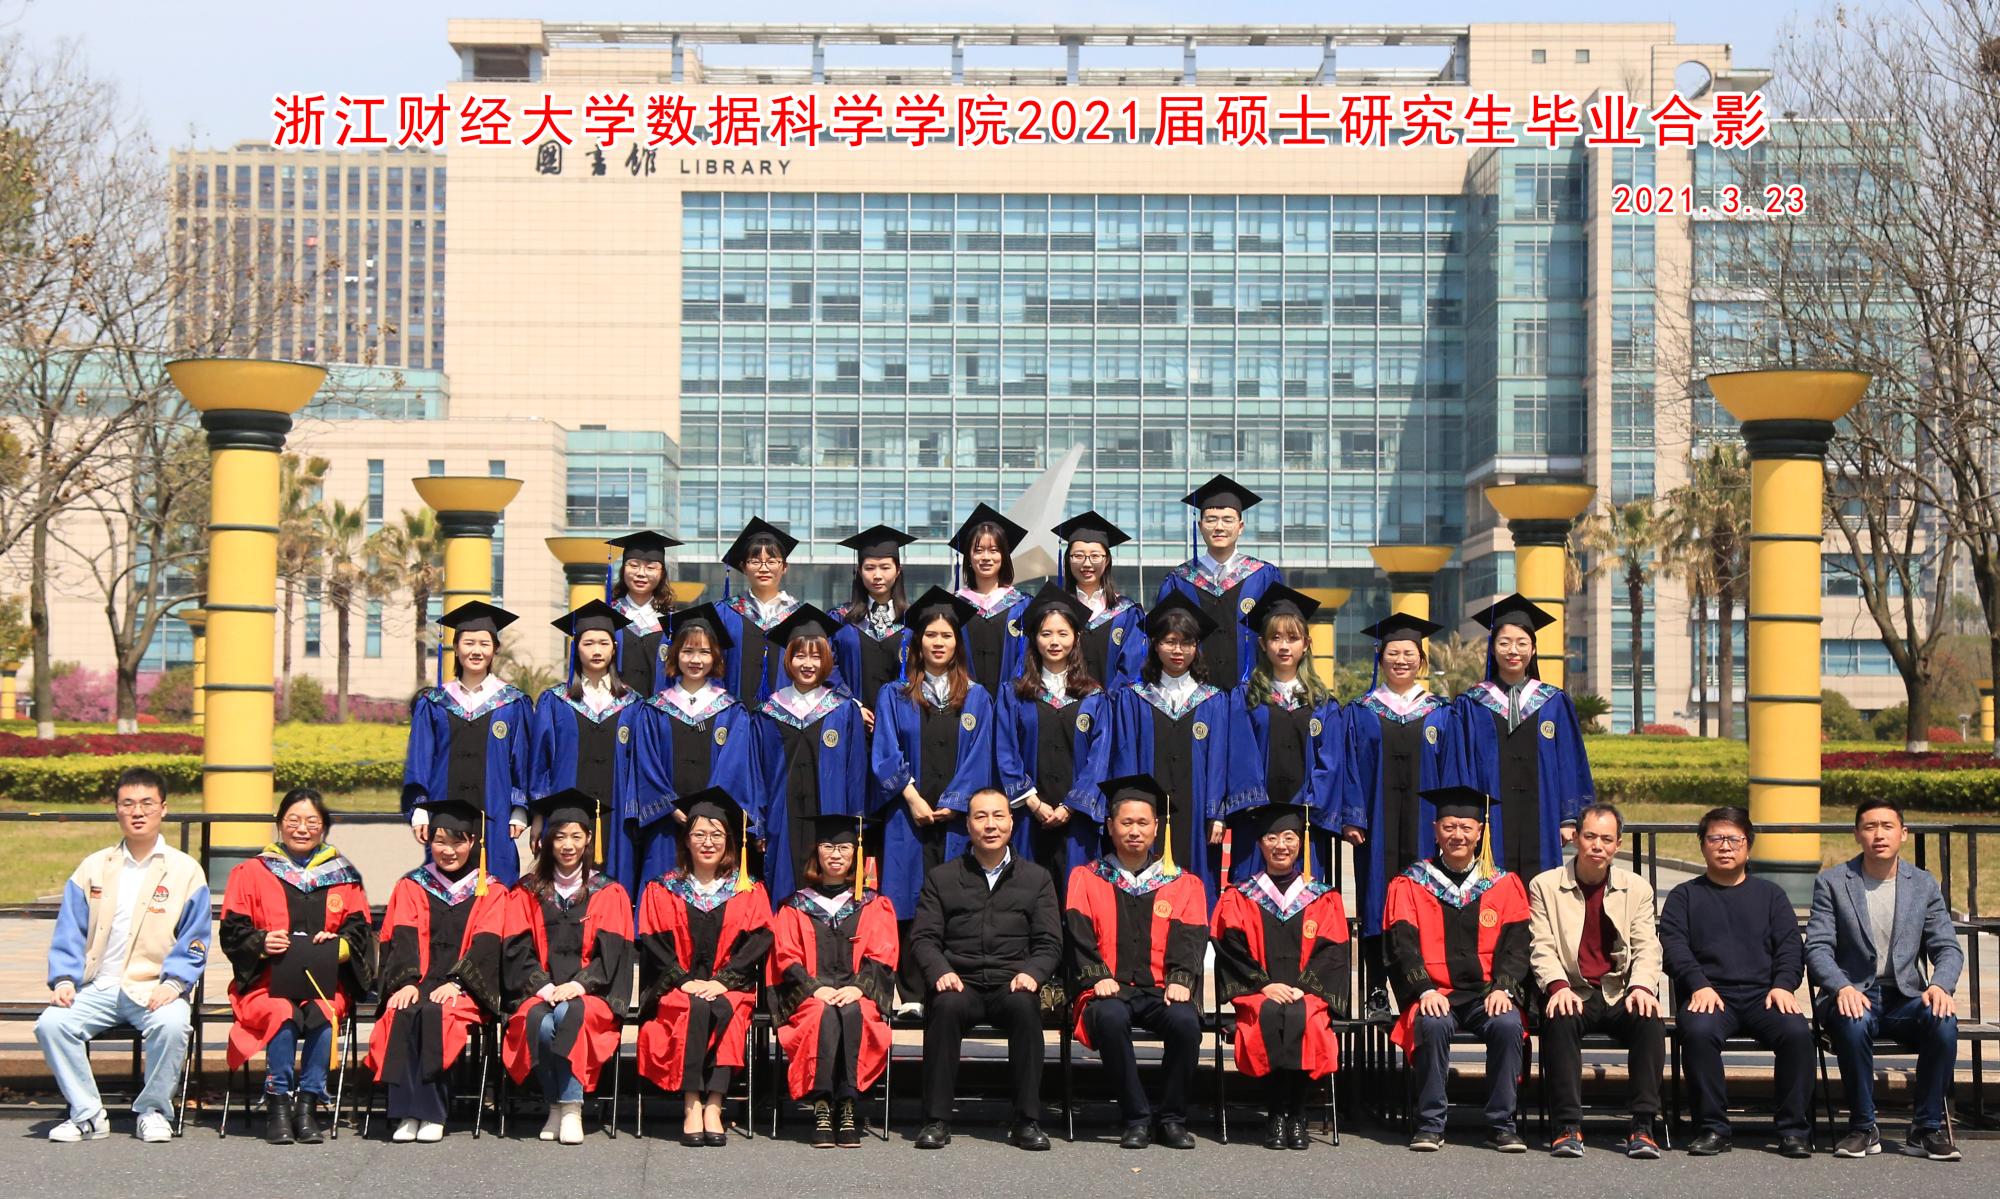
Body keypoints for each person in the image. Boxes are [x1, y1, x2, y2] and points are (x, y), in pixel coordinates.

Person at [37, 767, 208, 1144]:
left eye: (147, 803)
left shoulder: (185, 871)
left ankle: (154, 1110)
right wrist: (64, 978)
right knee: (51, 1024)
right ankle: (87, 1114)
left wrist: (175, 983)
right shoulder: (94, 867)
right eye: (128, 803)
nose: (137, 812)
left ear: (164, 808)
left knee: (172, 1025)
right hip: (98, 986)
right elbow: (69, 929)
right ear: (116, 809)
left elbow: (195, 939)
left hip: (153, 987)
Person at [1807, 797, 1963, 1162]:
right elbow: (1817, 948)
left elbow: (1947, 947)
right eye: (1870, 827)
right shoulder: (1832, 882)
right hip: (1852, 995)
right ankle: (1863, 1127)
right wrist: (1841, 987)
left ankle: (1926, 1129)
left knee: (1943, 1021)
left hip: (1905, 997)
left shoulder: (1923, 884)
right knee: (1854, 1021)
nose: (1879, 834)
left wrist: (1940, 985)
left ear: (1903, 834)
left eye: (1888, 826)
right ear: (1857, 834)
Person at [218, 787, 376, 1144]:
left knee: (323, 1012)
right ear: (279, 823)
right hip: (266, 983)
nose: (302, 829)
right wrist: (261, 943)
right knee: (282, 1013)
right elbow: (232, 931)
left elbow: (360, 931)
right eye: (293, 820)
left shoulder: (342, 875)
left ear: (324, 827)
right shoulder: (251, 872)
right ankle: (278, 1104)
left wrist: (339, 947)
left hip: (323, 983)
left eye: (311, 822)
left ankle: (307, 1106)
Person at [908, 788, 1062, 1152]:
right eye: (980, 817)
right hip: (961, 983)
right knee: (944, 1007)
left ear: (1011, 822)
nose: (990, 825)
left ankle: (1026, 1120)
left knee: (1026, 1009)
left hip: (1012, 982)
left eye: (997, 816)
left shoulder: (1036, 878)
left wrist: (1033, 973)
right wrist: (940, 971)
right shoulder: (942, 877)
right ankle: (936, 1120)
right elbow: (924, 938)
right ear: (968, 825)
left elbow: (1050, 942)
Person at [1658, 806, 1813, 1158]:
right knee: (1697, 1032)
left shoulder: (1771, 895)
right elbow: (1674, 946)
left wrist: (1783, 985)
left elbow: (1791, 947)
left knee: (1796, 1033)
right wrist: (1698, 984)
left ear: (1748, 845)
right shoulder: (1684, 896)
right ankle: (1713, 1128)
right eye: (1716, 838)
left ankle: (1793, 1130)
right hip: (1710, 994)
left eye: (1734, 839)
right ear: (1703, 845)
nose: (1725, 846)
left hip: (1764, 995)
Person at [870, 586, 996, 1013]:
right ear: (917, 641)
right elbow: (885, 752)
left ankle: (951, 988)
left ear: (958, 642)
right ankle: (910, 994)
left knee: (955, 901)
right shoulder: (895, 694)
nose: (938, 643)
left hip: (957, 820)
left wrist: (955, 802)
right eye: (931, 635)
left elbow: (981, 756)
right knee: (906, 898)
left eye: (946, 635)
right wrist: (913, 799)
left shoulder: (977, 696)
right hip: (907, 817)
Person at [1383, 786, 1531, 1153]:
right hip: (1437, 993)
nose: (1458, 835)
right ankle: (1430, 1124)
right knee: (1432, 1024)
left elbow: (1517, 944)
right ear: (1435, 831)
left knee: (1508, 1024)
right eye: (1449, 827)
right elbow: (1402, 945)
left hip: (1486, 994)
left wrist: (1504, 987)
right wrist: (1424, 990)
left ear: (1480, 832)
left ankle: (1501, 1125)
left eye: (1466, 827)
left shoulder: (1504, 884)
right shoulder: (1411, 883)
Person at [1066, 775, 1208, 1151]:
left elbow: (1191, 936)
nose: (1134, 831)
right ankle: (1136, 1118)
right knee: (1110, 1017)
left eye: (1143, 823)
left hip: (1160, 988)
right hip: (1109, 988)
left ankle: (1172, 1118)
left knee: (1186, 1023)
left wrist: (1181, 978)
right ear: (1110, 826)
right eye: (1126, 822)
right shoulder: (1087, 878)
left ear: (1156, 828)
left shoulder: (1182, 883)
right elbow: (1078, 934)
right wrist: (1096, 975)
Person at [365, 797, 510, 1144]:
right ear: (429, 841)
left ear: (472, 842)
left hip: (464, 988)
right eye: (440, 841)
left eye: (457, 842)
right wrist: (406, 981)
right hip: (418, 981)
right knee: (401, 1010)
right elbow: (401, 935)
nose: (448, 850)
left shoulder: (490, 890)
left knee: (438, 1013)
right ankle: (405, 1112)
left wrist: (458, 982)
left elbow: (488, 944)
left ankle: (431, 1113)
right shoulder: (412, 885)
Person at [635, 787, 773, 1147]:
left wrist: (724, 981)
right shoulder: (663, 888)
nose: (707, 842)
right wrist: (683, 980)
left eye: (716, 834)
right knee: (692, 1006)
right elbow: (653, 941)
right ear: (686, 840)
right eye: (699, 834)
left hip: (730, 987)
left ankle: (715, 1103)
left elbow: (758, 941)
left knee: (726, 1008)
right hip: (677, 987)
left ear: (729, 841)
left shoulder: (748, 889)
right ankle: (692, 1102)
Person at [1527, 801, 1664, 1159]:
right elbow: (1541, 945)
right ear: (1575, 837)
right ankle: (1567, 1127)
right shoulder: (1545, 885)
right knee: (1559, 1016)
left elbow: (1648, 946)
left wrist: (1642, 987)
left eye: (1606, 839)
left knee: (1650, 1019)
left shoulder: (1637, 888)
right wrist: (1557, 986)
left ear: (1618, 844)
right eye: (1590, 837)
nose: (1597, 846)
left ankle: (1643, 1127)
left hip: (1619, 990)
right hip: (1574, 989)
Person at [1210, 802, 1350, 1151]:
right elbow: (1229, 946)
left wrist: (1303, 988)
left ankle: (1298, 1114)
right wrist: (1264, 985)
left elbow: (1333, 951)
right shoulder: (1239, 896)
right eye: (1272, 838)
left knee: (1305, 1019)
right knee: (1269, 1015)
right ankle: (1275, 1114)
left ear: (1301, 843)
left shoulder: (1323, 897)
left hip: (1308, 993)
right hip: (1258, 991)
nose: (1281, 845)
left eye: (1289, 837)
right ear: (1260, 844)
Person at [501, 790, 635, 1146]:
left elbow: (613, 954)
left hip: (591, 993)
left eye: (576, 836)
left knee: (567, 1015)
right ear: (548, 840)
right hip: (539, 991)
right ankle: (559, 1106)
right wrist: (544, 987)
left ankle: (570, 1108)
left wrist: (579, 985)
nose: (567, 845)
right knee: (540, 1022)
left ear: (589, 838)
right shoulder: (527, 891)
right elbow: (516, 948)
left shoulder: (607, 891)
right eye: (559, 836)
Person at [1339, 612, 1453, 1008]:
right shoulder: (1361, 711)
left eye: (1409, 653)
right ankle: (1375, 988)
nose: (1401, 660)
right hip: (1376, 825)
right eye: (1393, 653)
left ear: (1421, 659)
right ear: (1380, 657)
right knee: (1376, 899)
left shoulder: (1441, 712)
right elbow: (1350, 768)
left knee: (1423, 897)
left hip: (1426, 826)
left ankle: (1422, 986)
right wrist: (1353, 817)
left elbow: (1451, 770)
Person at [769, 813, 899, 1148]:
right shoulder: (795, 906)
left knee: (855, 1011)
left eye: (844, 847)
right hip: (811, 995)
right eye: (828, 846)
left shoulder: (874, 904)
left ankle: (848, 1104)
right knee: (822, 1013)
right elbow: (786, 956)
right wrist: (815, 988)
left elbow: (883, 952)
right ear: (816, 852)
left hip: (858, 992)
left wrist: (857, 987)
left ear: (856, 854)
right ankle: (822, 1105)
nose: (836, 854)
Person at [1447, 594, 1595, 878]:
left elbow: (1569, 762)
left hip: (1543, 817)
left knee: (1540, 889)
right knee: (1493, 891)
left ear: (1533, 649)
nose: (1513, 650)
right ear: (1492, 649)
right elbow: (1461, 767)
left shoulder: (1553, 702)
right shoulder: (1472, 704)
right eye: (1504, 643)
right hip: (1490, 821)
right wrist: (1466, 819)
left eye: (1522, 643)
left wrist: (1569, 818)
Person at [402, 600, 536, 884]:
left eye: (485, 644)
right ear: (456, 647)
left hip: (495, 813)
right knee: (443, 887)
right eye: (469, 643)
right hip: (443, 812)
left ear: (495, 648)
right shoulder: (434, 702)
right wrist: (420, 809)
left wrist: (520, 809)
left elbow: (522, 761)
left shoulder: (512, 703)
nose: (477, 651)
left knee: (497, 884)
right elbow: (420, 760)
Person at [628, 602, 758, 895]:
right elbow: (646, 764)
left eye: (704, 652)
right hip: (666, 823)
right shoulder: (654, 709)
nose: (696, 659)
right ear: (675, 654)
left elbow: (735, 767)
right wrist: (671, 807)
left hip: (714, 826)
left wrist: (706, 813)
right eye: (687, 651)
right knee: (662, 892)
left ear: (716, 656)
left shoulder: (732, 711)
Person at [1110, 593, 1234, 898]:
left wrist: (1215, 813)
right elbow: (1126, 757)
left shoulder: (1213, 700)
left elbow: (1219, 762)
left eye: (1187, 643)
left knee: (1197, 884)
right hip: (1147, 813)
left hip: (1197, 812)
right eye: (1170, 642)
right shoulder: (1134, 698)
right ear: (1155, 644)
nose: (1178, 650)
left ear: (1196, 647)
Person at [996, 583, 1114, 892]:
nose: (1054, 642)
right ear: (1034, 639)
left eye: (1063, 633)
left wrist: (1070, 806)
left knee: (1076, 894)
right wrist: (1033, 803)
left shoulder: (1093, 696)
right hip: (1026, 815)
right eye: (1046, 633)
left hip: (1078, 820)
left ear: (1076, 637)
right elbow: (1005, 751)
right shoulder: (1014, 693)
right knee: (1026, 893)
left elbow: (1099, 759)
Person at [752, 603, 869, 907]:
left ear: (827, 660)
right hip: (782, 817)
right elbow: (757, 774)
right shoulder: (768, 712)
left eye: (816, 656)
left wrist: (855, 826)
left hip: (832, 815)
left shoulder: (843, 710)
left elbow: (855, 774)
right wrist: (758, 825)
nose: (808, 664)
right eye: (800, 655)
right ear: (788, 659)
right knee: (783, 887)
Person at [1225, 586, 1343, 882]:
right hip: (1257, 817)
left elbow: (1330, 762)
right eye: (1275, 637)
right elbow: (1240, 753)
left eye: (1292, 638)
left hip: (1305, 819)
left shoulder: (1322, 703)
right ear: (1262, 644)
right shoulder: (1246, 698)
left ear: (1307, 644)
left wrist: (1307, 804)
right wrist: (1260, 804)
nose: (1284, 646)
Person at [534, 599, 649, 892]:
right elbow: (541, 764)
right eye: (588, 643)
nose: (597, 651)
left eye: (603, 643)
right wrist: (538, 817)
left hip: (618, 815)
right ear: (576, 648)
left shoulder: (633, 704)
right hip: (564, 811)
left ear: (615, 648)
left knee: (615, 887)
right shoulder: (555, 701)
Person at [1155, 474, 1284, 686]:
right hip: (1193, 694)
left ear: (1240, 526)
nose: (1219, 527)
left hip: (1252, 692)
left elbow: (1281, 634)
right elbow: (1162, 639)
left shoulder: (1263, 576)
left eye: (1227, 520)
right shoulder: (1180, 580)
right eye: (1211, 519)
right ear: (1200, 526)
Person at [831, 524, 918, 734]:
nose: (877, 575)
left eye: (885, 567)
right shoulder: (840, 620)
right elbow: (827, 666)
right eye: (869, 568)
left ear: (898, 571)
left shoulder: (914, 620)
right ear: (859, 571)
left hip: (901, 724)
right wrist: (852, 704)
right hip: (852, 723)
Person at [1052, 510, 1147, 689]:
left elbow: (1132, 668)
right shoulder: (1055, 610)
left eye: (1095, 556)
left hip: (1114, 703)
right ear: (1068, 560)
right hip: (1064, 704)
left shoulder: (1127, 612)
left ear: (1107, 560)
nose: (1087, 563)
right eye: (1078, 556)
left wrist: (1109, 701)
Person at [715, 517, 803, 704]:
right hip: (734, 713)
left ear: (784, 567)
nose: (764, 568)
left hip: (788, 714)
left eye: (772, 561)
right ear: (743, 567)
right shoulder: (724, 613)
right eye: (755, 561)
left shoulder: (800, 616)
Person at [951, 503, 1031, 695]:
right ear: (969, 557)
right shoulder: (954, 605)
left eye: (994, 550)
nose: (986, 557)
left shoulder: (1023, 605)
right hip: (963, 702)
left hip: (1012, 701)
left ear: (1004, 556)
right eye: (978, 550)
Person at [606, 529, 684, 695]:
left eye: (651, 567)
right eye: (633, 565)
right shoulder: (607, 615)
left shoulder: (673, 620)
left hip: (660, 706)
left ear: (662, 573)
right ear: (623, 569)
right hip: (615, 706)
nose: (641, 573)